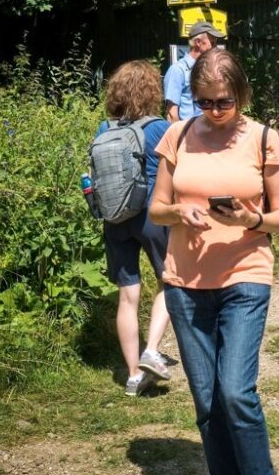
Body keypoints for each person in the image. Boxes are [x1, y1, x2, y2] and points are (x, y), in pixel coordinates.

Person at [149, 48, 279, 475]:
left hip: (245, 274)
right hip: (184, 283)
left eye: (224, 101)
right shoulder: (177, 136)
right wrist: (178, 212)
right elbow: (156, 208)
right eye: (205, 101)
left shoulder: (264, 138)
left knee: (235, 392)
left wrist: (253, 218)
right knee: (208, 401)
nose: (214, 110)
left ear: (241, 95)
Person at [95, 60, 172, 396]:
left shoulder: (104, 129)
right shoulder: (159, 128)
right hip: (152, 217)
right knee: (170, 279)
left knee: (127, 296)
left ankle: (131, 376)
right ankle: (151, 351)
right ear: (152, 90)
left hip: (114, 218)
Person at [163, 22, 224, 123]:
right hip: (187, 134)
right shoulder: (178, 70)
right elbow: (172, 114)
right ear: (198, 42)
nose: (216, 47)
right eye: (212, 43)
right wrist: (181, 138)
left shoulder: (209, 70)